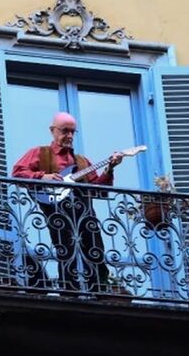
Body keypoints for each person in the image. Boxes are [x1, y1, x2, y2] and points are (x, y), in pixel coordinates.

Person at [12, 112, 123, 292]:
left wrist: (110, 168)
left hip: (84, 212)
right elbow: (18, 173)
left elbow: (99, 190)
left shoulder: (81, 161)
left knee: (95, 248)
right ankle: (69, 288)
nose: (69, 136)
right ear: (52, 131)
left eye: (73, 132)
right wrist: (43, 176)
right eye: (65, 131)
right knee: (65, 248)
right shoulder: (40, 153)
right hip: (57, 210)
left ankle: (100, 288)